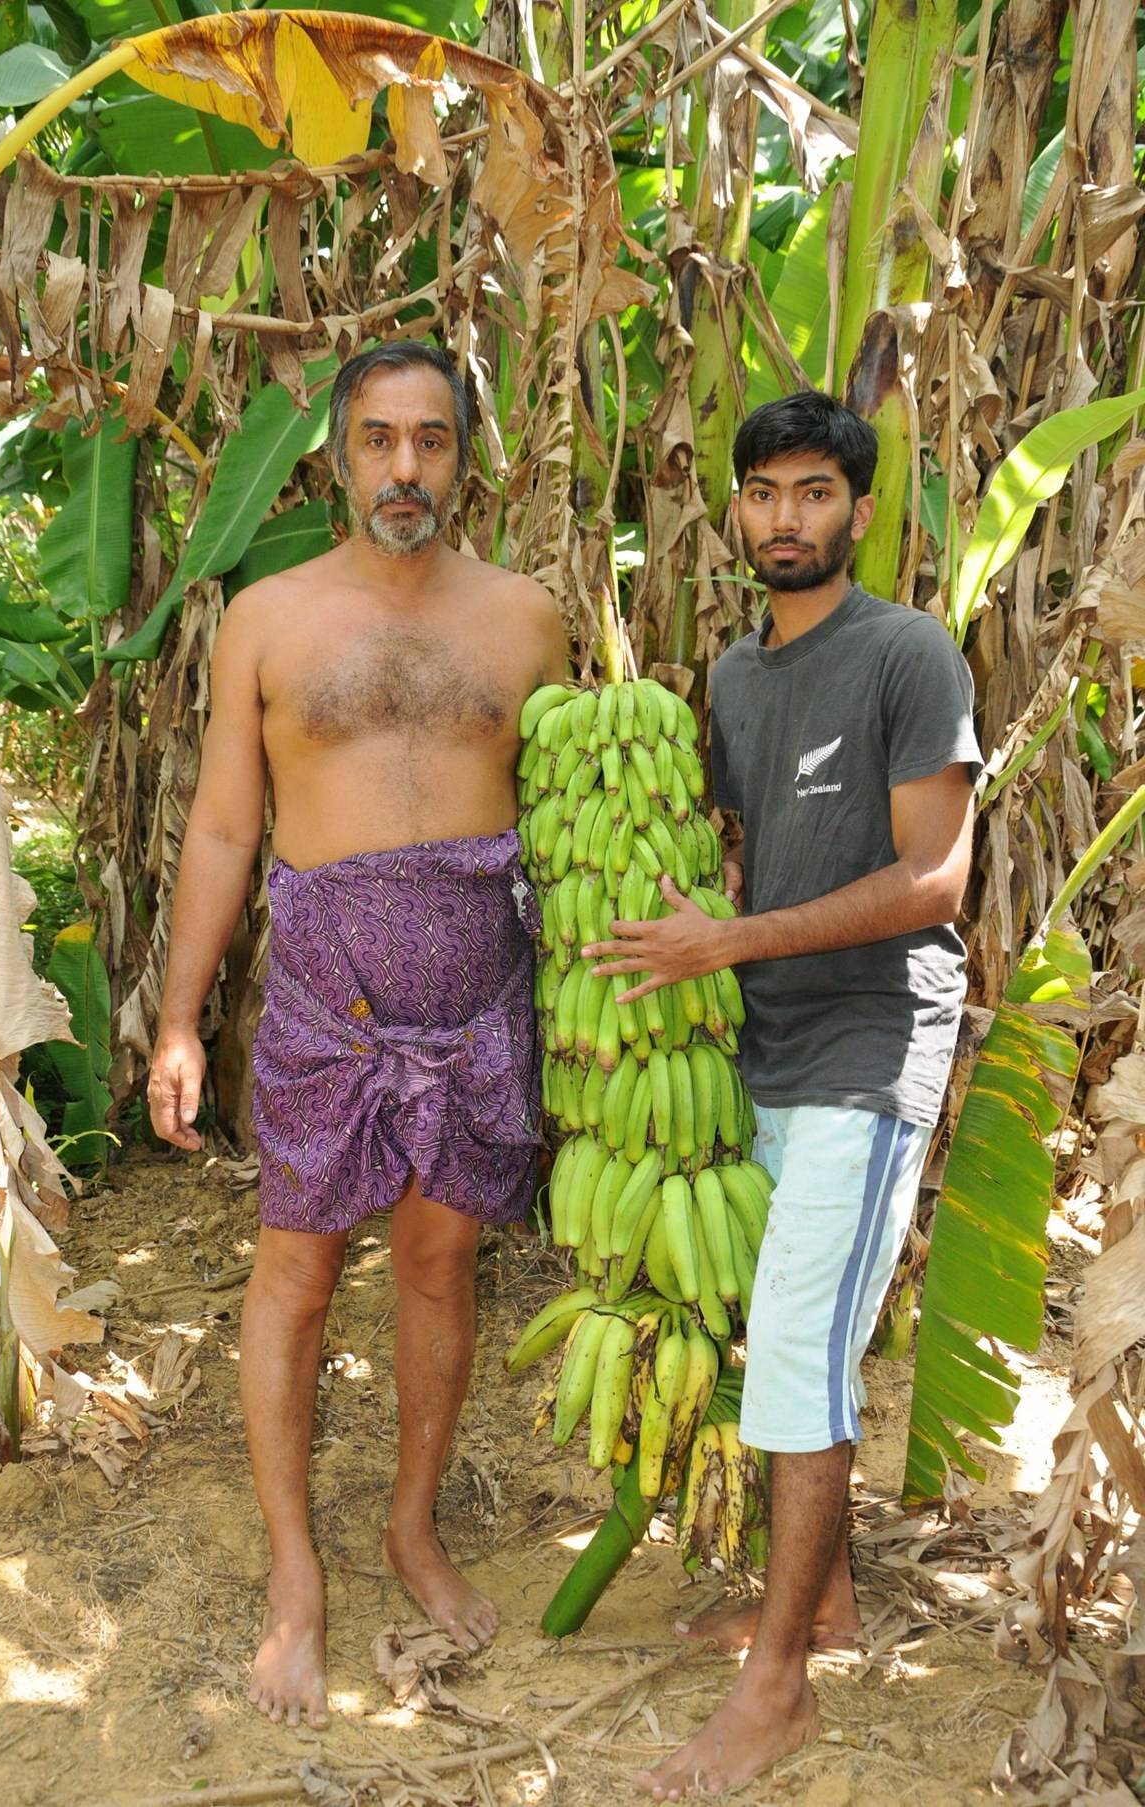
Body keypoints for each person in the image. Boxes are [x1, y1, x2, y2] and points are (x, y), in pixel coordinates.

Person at [148, 341, 568, 1729]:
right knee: (297, 1275)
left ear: (465, 453)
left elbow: (565, 827)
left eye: (432, 440)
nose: (405, 468)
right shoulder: (266, 616)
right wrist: (179, 1016)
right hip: (328, 1001)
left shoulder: (527, 620)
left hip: (478, 998)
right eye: (379, 438)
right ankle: (293, 1581)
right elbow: (223, 825)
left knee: (440, 1268)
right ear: (335, 450)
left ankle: (412, 1528)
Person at [584, 390, 982, 1797]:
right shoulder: (736, 680)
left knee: (803, 1351)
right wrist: (709, 916)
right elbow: (775, 860)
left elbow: (936, 879)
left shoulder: (908, 653)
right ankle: (820, 1600)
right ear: (734, 510)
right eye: (764, 494)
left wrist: (730, 939)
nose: (785, 520)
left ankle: (779, 1688)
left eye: (815, 493)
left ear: (858, 513)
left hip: (872, 1047)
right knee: (779, 1344)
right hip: (760, 1039)